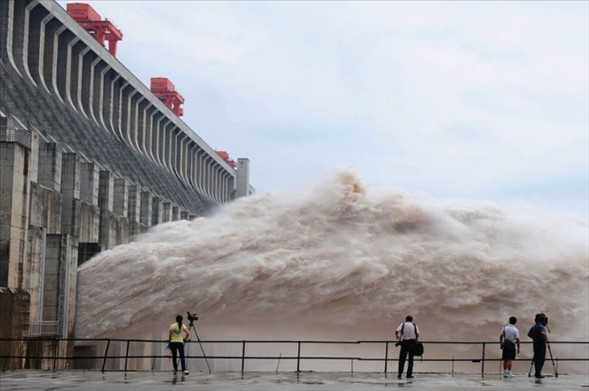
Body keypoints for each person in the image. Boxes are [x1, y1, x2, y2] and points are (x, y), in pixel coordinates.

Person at [395, 315, 420, 379]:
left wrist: (397, 337)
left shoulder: (403, 324)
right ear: (412, 320)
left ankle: (400, 374)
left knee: (402, 359)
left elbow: (396, 331)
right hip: (412, 343)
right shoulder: (414, 325)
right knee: (410, 360)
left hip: (404, 343)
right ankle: (409, 375)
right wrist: (416, 341)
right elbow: (417, 334)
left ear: (406, 319)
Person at [528, 313, 548, 379]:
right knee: (541, 359)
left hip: (535, 344)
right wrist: (544, 339)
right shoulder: (541, 327)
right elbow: (543, 336)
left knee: (536, 359)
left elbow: (529, 334)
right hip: (541, 345)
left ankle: (537, 372)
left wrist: (535, 338)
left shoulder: (534, 326)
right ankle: (538, 373)